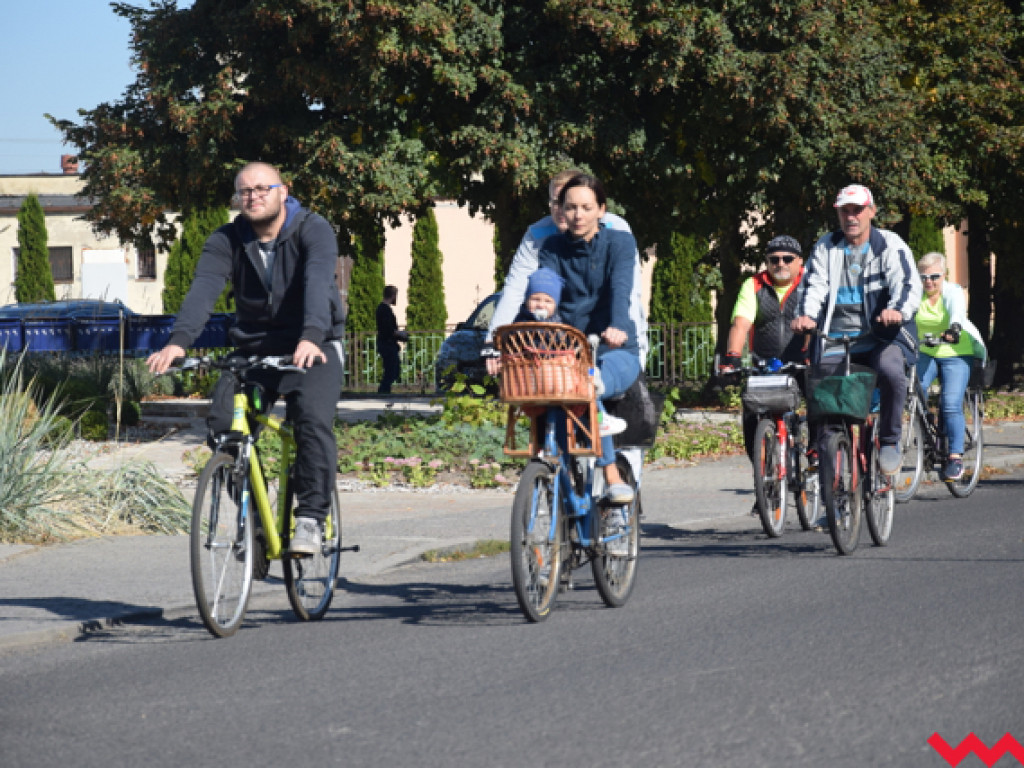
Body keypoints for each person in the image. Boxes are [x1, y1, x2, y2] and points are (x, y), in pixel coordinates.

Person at [147, 161, 345, 556]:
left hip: (313, 346)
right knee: (224, 425)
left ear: (283, 191)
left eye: (262, 189)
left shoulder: (313, 229)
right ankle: (251, 520)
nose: (253, 197)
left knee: (311, 422)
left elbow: (318, 282)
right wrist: (179, 341)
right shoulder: (227, 239)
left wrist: (310, 336)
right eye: (244, 191)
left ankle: (309, 518)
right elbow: (204, 288)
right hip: (254, 349)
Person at [791, 184, 922, 475]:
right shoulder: (826, 245)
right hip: (836, 340)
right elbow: (812, 286)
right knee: (822, 389)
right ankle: (830, 470)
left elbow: (908, 284)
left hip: (879, 337)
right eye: (845, 211)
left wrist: (897, 310)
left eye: (858, 210)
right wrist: (807, 316)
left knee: (891, 372)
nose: (851, 217)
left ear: (871, 212)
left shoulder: (889, 244)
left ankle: (889, 440)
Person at [536, 173, 641, 506]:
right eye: (570, 207)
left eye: (586, 207)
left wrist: (618, 326)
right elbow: (545, 290)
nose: (578, 215)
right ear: (561, 212)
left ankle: (610, 474)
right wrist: (534, 320)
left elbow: (621, 290)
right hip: (569, 352)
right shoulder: (552, 247)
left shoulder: (619, 243)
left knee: (588, 383)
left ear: (601, 210)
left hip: (613, 350)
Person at [484, 167, 648, 368]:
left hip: (611, 338)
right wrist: (496, 341)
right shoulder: (538, 236)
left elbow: (625, 291)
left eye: (583, 206)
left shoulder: (616, 230)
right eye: (558, 203)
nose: (565, 213)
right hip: (567, 341)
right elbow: (517, 290)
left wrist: (625, 335)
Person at [718, 234, 807, 460]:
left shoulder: (810, 284)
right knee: (750, 414)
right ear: (766, 262)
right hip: (765, 364)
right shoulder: (754, 285)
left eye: (788, 259)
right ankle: (762, 474)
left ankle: (815, 457)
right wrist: (733, 357)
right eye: (774, 259)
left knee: (820, 408)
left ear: (800, 261)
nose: (781, 264)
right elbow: (740, 324)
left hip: (802, 362)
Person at [513, 266, 628, 437]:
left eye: (547, 301)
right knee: (589, 374)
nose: (541, 305)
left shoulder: (550, 323)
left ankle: (598, 412)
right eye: (535, 299)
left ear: (556, 304)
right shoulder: (526, 324)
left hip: (537, 380)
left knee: (590, 372)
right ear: (526, 301)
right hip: (542, 377)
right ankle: (599, 417)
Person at [914, 251, 988, 480]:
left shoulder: (953, 291)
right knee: (913, 391)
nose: (929, 282)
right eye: (924, 277)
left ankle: (955, 457)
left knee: (950, 403)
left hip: (956, 351)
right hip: (926, 350)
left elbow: (957, 311)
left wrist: (954, 328)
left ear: (944, 275)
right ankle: (928, 429)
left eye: (934, 277)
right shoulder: (916, 294)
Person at [376, 285, 407, 395]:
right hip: (387, 344)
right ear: (393, 296)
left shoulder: (384, 309)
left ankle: (384, 390)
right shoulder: (384, 310)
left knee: (393, 369)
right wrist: (400, 333)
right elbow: (388, 329)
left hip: (387, 343)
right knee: (392, 370)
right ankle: (383, 391)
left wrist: (400, 335)